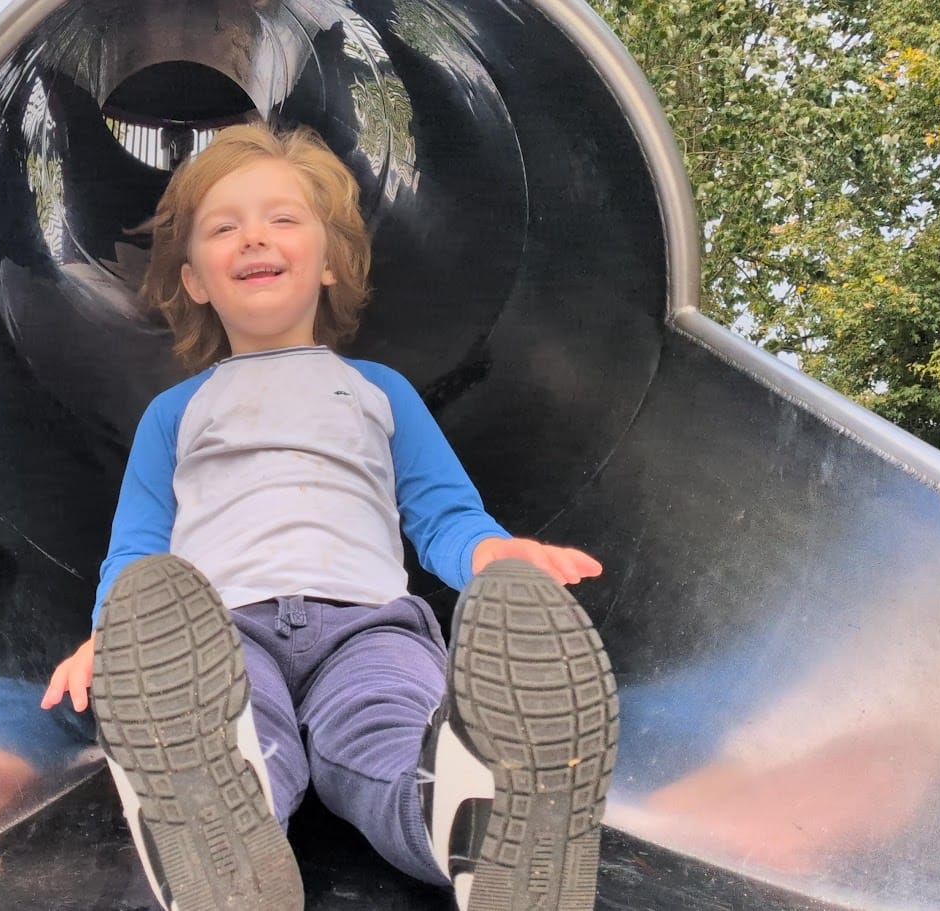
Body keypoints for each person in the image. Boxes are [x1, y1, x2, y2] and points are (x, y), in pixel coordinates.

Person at [40, 121, 618, 911]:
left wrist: (494, 555)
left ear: (330, 260)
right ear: (196, 279)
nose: (253, 237)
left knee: (383, 739)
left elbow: (441, 512)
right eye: (223, 226)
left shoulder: (377, 391)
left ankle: (469, 819)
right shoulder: (175, 414)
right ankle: (220, 850)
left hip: (369, 625)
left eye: (281, 218)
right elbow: (139, 549)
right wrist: (116, 636)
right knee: (236, 741)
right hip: (218, 633)